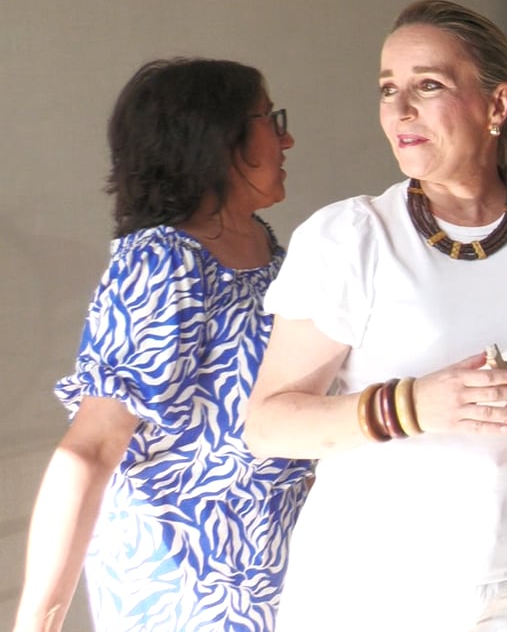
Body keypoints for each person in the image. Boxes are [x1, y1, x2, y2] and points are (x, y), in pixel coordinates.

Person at [244, 0, 507, 631]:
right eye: (387, 89)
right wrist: (413, 406)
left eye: (427, 86)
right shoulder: (351, 238)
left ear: (497, 105)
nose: (400, 110)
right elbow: (268, 426)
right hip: (376, 584)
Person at [14, 58, 308, 631]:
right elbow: (91, 448)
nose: (286, 138)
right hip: (184, 590)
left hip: (276, 580)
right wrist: (37, 623)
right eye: (269, 120)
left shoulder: (270, 253)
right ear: (216, 137)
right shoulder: (161, 264)